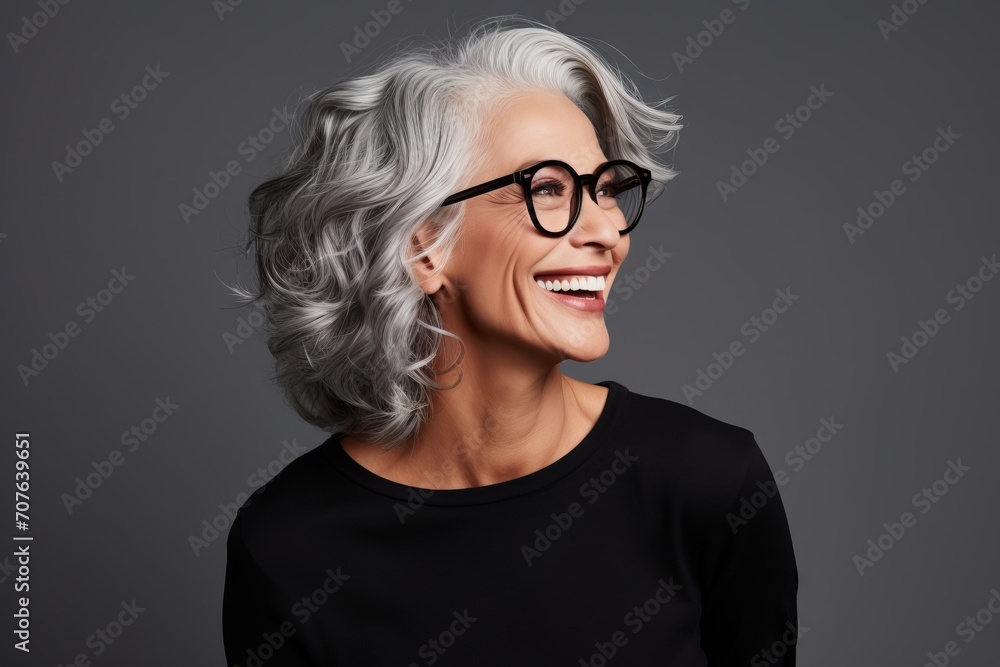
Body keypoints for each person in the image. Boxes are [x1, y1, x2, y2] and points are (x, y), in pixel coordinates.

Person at [223, 15, 798, 666]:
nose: (608, 229)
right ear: (424, 247)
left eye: (608, 189)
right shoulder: (289, 547)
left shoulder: (709, 481)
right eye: (549, 188)